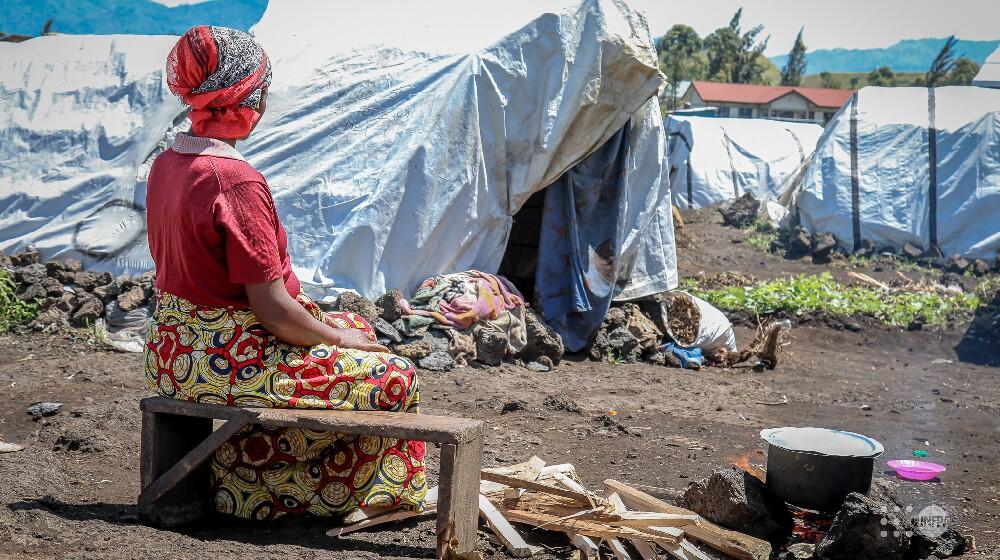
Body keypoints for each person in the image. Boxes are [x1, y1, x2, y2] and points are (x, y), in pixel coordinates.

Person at [143, 26, 426, 521]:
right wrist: (340, 338)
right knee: (393, 375)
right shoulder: (234, 181)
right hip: (225, 358)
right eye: (262, 92)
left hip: (173, 347)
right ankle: (309, 492)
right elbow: (273, 313)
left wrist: (342, 333)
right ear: (243, 98)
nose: (265, 103)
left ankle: (249, 479)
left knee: (356, 331)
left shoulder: (169, 163)